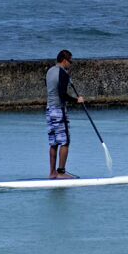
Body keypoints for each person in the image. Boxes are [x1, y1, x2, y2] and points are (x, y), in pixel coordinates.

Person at [46, 49, 84, 179]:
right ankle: (61, 172)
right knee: (65, 141)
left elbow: (53, 89)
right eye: (70, 61)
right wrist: (76, 100)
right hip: (59, 110)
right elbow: (62, 95)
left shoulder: (49, 71)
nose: (71, 64)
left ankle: (52, 173)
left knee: (53, 142)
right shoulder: (63, 73)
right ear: (64, 60)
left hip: (49, 110)